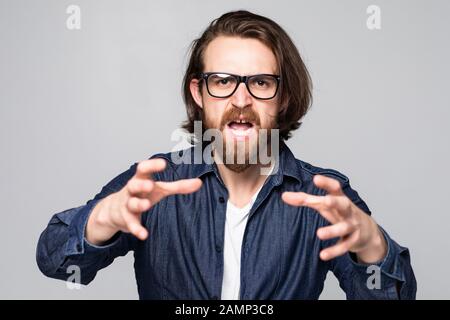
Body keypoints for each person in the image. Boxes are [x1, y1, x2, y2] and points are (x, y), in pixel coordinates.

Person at [36, 10, 416, 299]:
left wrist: (373, 249)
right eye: (222, 81)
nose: (240, 99)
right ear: (199, 94)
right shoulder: (152, 184)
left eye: (261, 83)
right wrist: (98, 222)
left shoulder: (323, 195)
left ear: (283, 98)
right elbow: (56, 262)